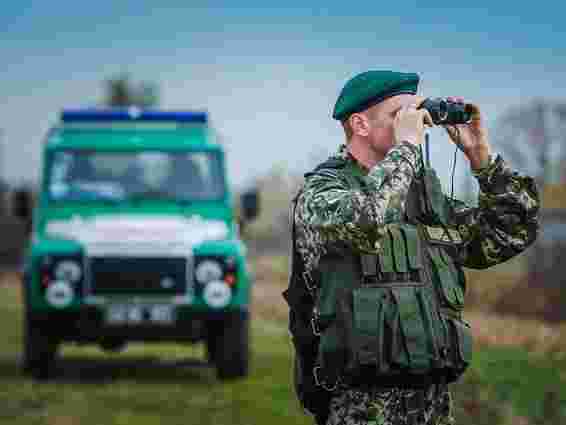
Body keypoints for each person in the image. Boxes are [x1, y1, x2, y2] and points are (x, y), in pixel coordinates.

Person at [283, 70, 540, 425]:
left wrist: (482, 158)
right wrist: (406, 148)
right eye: (399, 115)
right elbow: (368, 221)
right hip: (359, 409)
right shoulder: (322, 194)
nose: (414, 125)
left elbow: (509, 233)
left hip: (432, 407)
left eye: (415, 114)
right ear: (359, 125)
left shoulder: (424, 203)